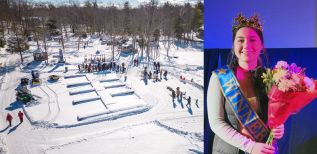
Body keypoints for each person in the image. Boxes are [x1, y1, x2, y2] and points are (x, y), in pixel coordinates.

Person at [207, 13, 284, 154]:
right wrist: (250, 146)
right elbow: (216, 123)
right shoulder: (219, 77)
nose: (247, 45)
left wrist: (279, 127)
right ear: (233, 45)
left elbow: (275, 116)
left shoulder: (271, 77)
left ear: (261, 45)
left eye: (253, 40)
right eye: (240, 40)